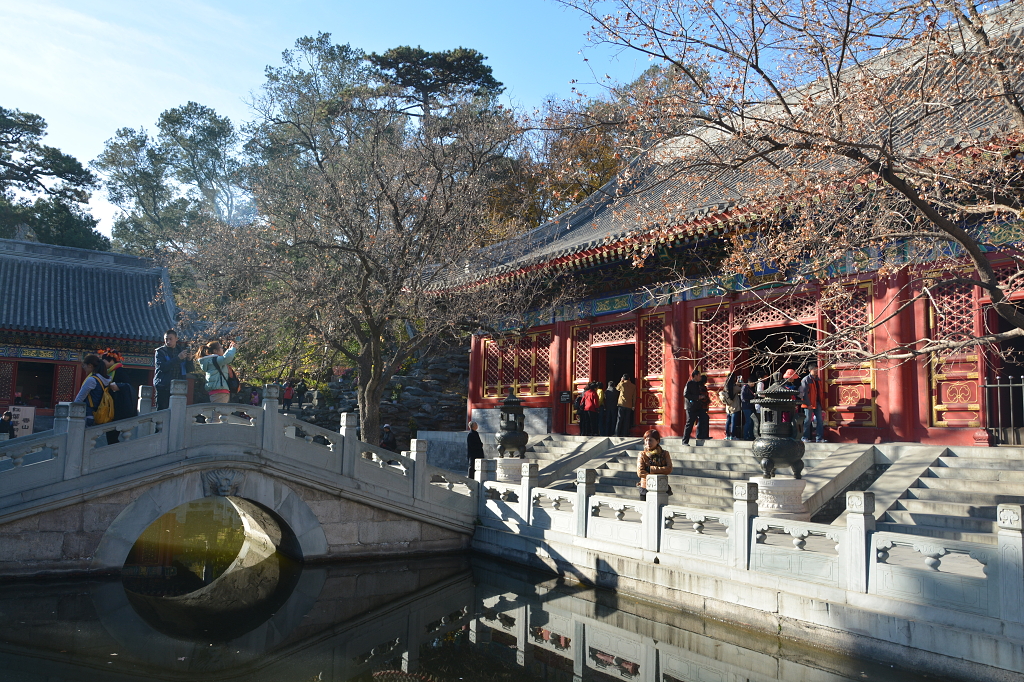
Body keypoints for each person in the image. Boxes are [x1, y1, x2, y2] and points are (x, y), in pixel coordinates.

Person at [74, 354, 117, 426]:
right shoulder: (108, 380)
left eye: (84, 365)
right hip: (101, 415)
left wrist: (72, 410)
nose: (84, 368)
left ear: (90, 365)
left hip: (89, 415)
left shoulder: (92, 380)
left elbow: (80, 398)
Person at [154, 329, 189, 410]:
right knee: (162, 412)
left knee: (177, 411)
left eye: (170, 339)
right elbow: (163, 367)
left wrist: (189, 360)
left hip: (179, 387)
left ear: (176, 339)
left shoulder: (181, 351)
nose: (168, 341)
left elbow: (189, 370)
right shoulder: (160, 352)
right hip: (164, 386)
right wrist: (178, 358)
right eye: (166, 339)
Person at [636, 429, 672, 501]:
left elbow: (669, 469)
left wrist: (650, 469)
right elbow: (640, 472)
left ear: (657, 441)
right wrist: (659, 472)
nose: (648, 443)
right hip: (645, 486)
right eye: (646, 440)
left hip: (660, 486)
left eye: (650, 440)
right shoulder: (642, 454)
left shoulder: (665, 454)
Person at [682, 370, 710, 445]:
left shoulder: (698, 384)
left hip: (698, 406)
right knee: (689, 424)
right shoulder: (689, 383)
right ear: (695, 376)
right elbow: (686, 394)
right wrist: (698, 397)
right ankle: (685, 441)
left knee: (705, 417)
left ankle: (703, 436)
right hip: (691, 407)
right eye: (699, 375)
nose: (700, 377)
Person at [800, 364, 827, 443]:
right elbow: (804, 393)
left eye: (817, 369)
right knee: (808, 420)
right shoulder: (806, 380)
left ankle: (819, 438)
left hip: (817, 402)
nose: (816, 371)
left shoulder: (818, 380)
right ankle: (804, 437)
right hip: (809, 403)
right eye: (814, 369)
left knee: (820, 420)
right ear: (810, 370)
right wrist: (808, 404)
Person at [720, 372, 741, 440]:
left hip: (728, 407)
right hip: (735, 407)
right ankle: (733, 435)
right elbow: (741, 389)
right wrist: (740, 382)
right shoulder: (735, 387)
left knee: (728, 422)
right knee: (733, 422)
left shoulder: (726, 387)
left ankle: (727, 435)